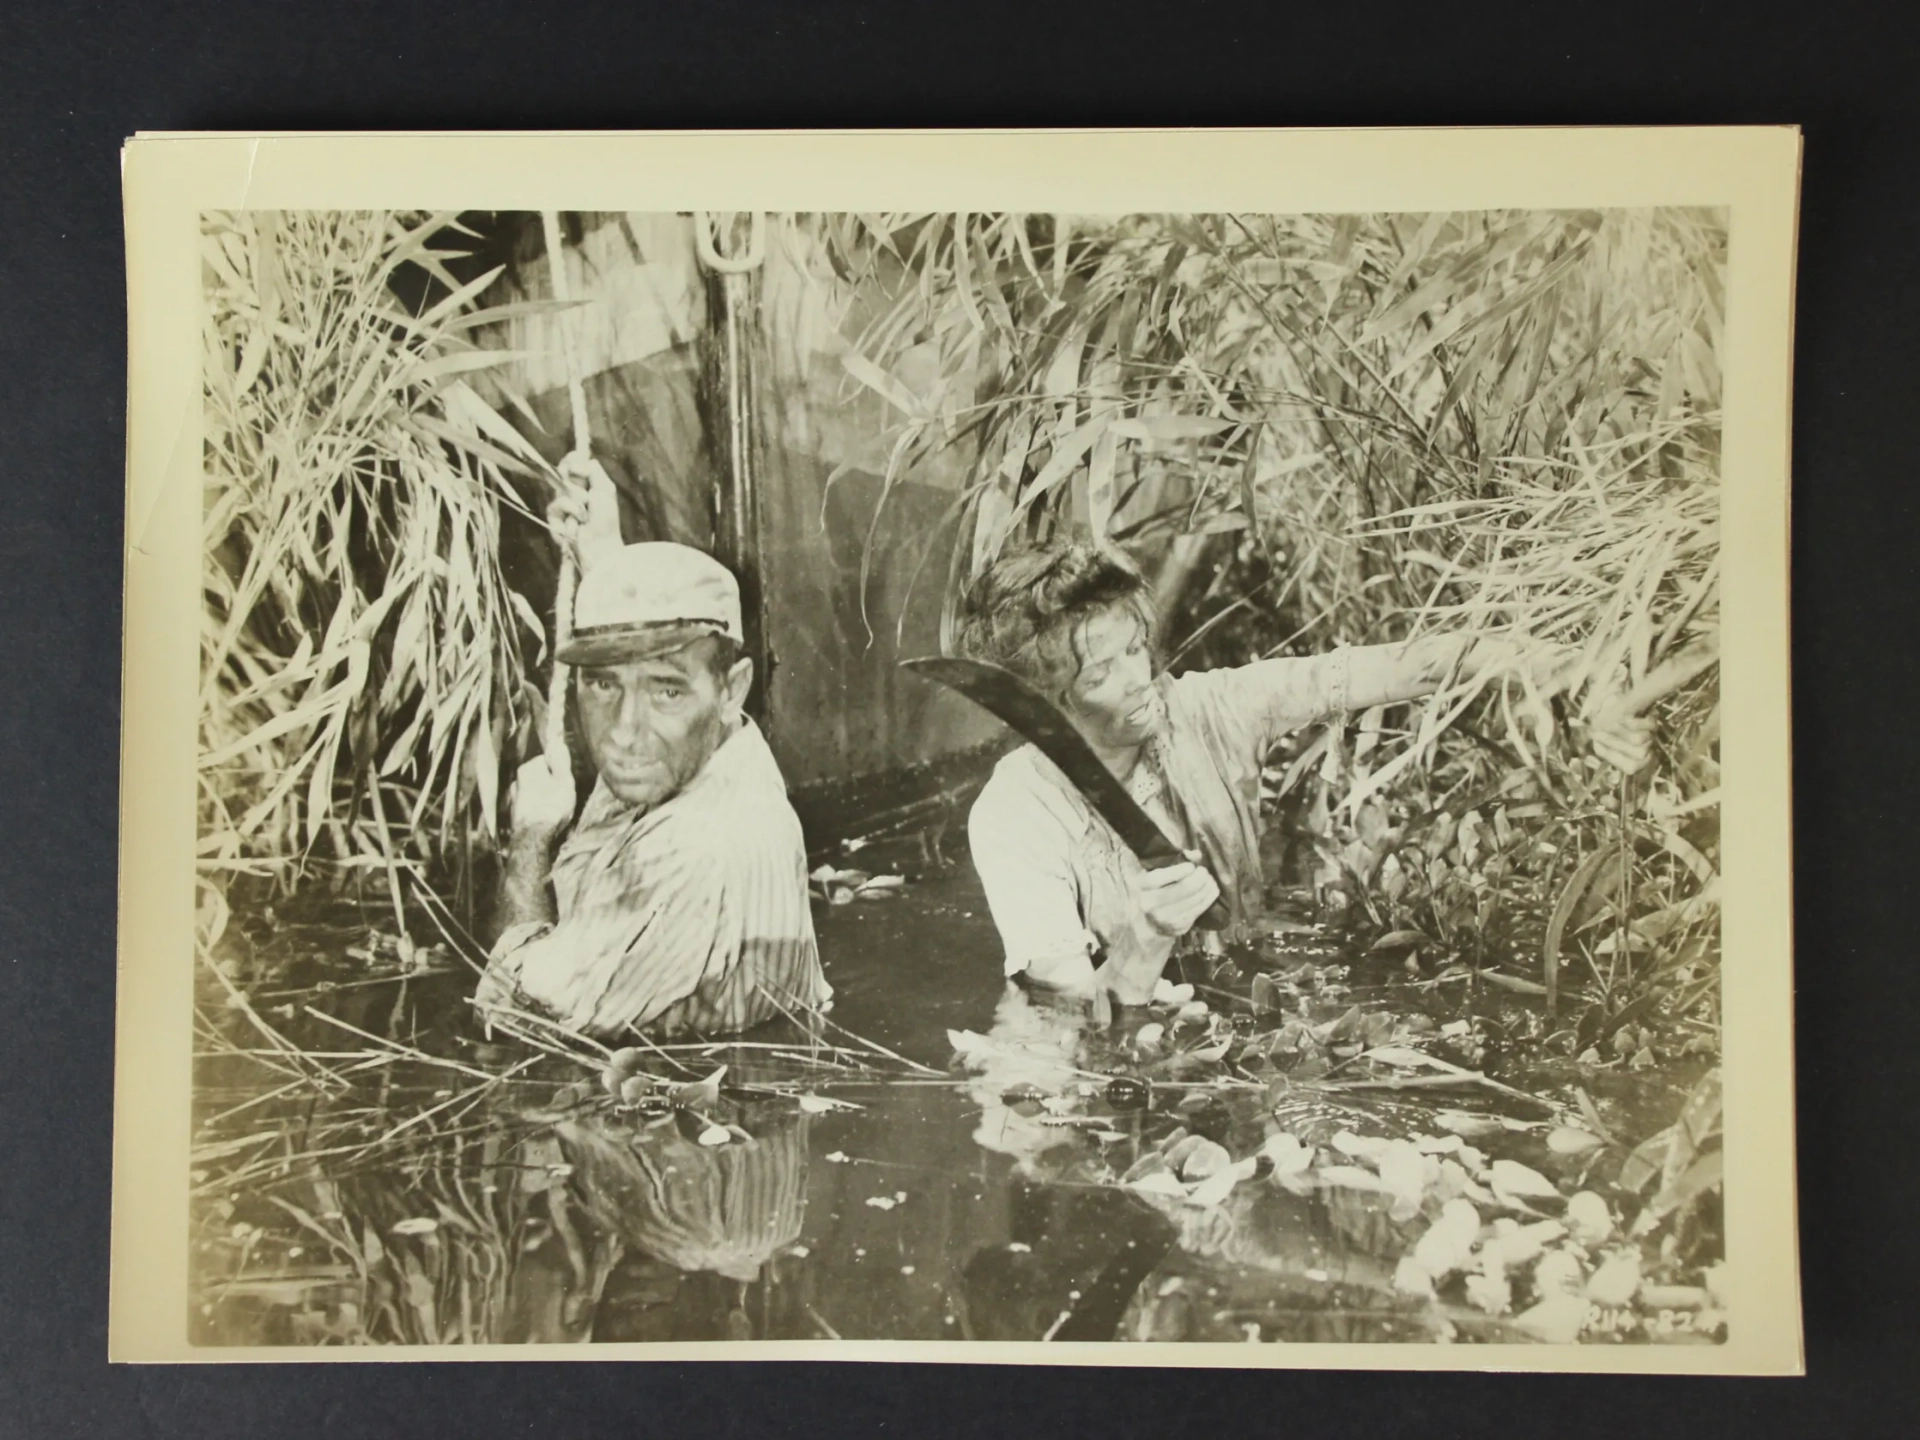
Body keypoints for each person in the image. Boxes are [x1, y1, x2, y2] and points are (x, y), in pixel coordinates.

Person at [956, 540, 1654, 1006]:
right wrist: (1145, 938)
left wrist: (1569, 676)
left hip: (1247, 990)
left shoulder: (1208, 709)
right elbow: (1071, 1027)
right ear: (1046, 696)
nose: (1141, 679)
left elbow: (1407, 666)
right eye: (1103, 672)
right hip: (1114, 1056)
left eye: (1138, 648)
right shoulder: (1016, 815)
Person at [475, 457, 829, 1040]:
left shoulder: (693, 850)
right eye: (603, 684)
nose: (623, 730)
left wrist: (531, 839)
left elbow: (511, 1018)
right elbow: (651, 659)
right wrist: (606, 558)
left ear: (731, 689)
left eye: (666, 691)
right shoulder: (722, 748)